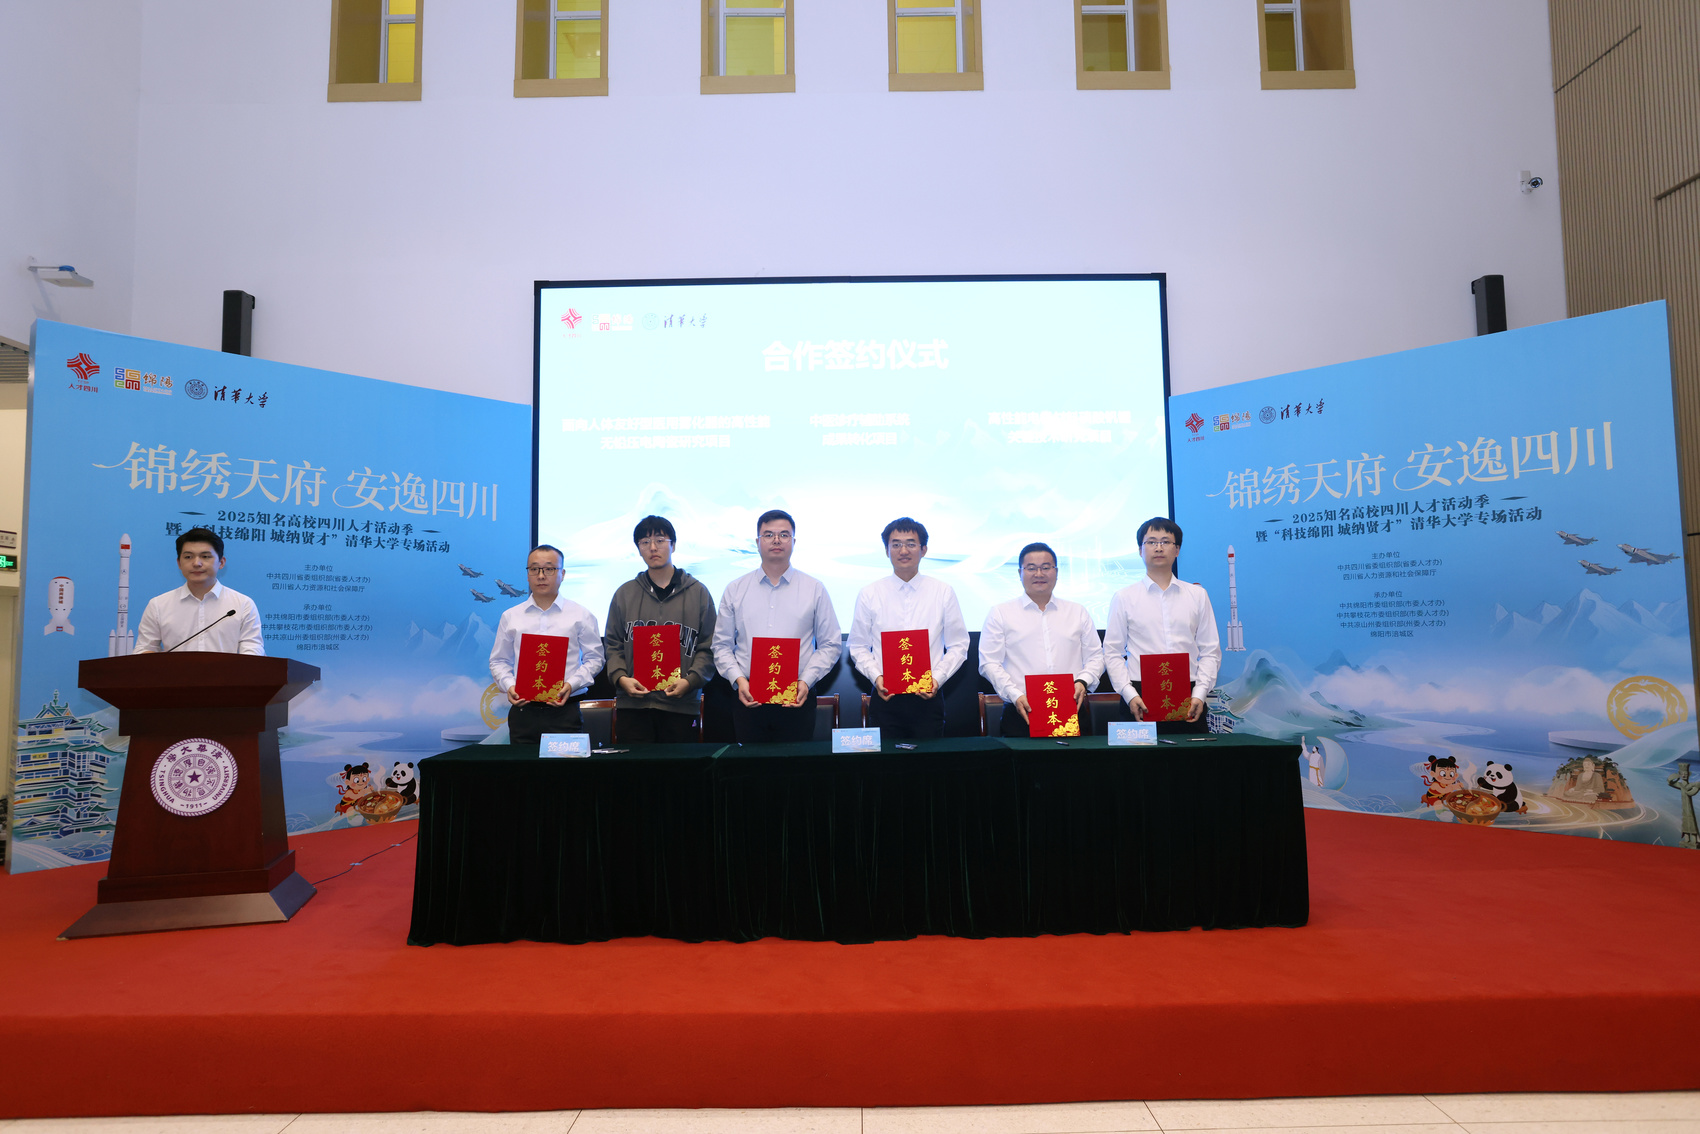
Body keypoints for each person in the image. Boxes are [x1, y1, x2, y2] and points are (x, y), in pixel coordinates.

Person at [711, 509, 842, 743]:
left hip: (797, 699)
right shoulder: (735, 589)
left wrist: (806, 681)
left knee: (794, 765)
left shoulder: (814, 588)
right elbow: (721, 645)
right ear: (757, 542)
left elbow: (831, 644)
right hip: (748, 699)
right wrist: (738, 680)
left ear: (794, 541)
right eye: (769, 534)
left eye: (784, 535)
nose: (776, 540)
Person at [847, 517, 968, 739]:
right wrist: (876, 676)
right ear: (887, 550)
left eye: (911, 544)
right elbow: (857, 645)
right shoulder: (869, 593)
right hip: (886, 698)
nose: (903, 550)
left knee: (929, 759)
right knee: (887, 761)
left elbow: (959, 645)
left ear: (924, 550)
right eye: (896, 544)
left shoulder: (943, 592)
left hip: (928, 699)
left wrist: (937, 679)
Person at [602, 515, 717, 744]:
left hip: (681, 706)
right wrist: (621, 678)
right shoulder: (624, 594)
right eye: (645, 542)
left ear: (673, 545)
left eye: (660, 540)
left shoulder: (698, 593)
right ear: (638, 549)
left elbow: (710, 646)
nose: (653, 548)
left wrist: (691, 681)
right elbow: (613, 645)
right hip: (633, 706)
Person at [1104, 517, 1221, 733]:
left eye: (1166, 542)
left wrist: (1200, 693)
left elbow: (1210, 651)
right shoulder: (1124, 597)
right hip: (1138, 696)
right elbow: (1112, 652)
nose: (1158, 548)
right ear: (1140, 550)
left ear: (1177, 550)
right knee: (1140, 756)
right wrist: (1129, 694)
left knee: (1191, 755)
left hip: (1189, 695)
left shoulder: (1197, 595)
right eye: (1151, 542)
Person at [977, 541, 1104, 737]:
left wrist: (1082, 682)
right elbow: (989, 663)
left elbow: (1096, 657)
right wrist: (1015, 694)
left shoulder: (1077, 612)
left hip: (1071, 710)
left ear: (1056, 572)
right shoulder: (1000, 613)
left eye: (1046, 567)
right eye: (1031, 568)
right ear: (1020, 572)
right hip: (1021, 711)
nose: (1039, 574)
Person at [489, 544, 604, 744]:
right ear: (527, 574)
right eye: (534, 569)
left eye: (549, 569)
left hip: (565, 713)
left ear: (562, 574)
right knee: (521, 764)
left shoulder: (581, 615)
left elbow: (595, 659)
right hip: (523, 712)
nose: (541, 576)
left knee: (562, 765)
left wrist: (572, 684)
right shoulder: (511, 616)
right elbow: (498, 661)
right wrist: (510, 685)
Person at [133, 527, 265, 654]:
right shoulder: (158, 605)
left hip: (227, 671)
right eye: (188, 557)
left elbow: (252, 650)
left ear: (221, 562)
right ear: (179, 563)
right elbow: (144, 648)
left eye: (205, 556)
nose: (196, 563)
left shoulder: (243, 605)